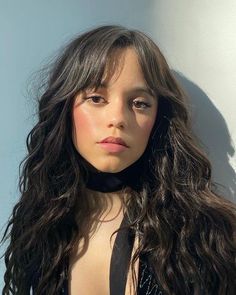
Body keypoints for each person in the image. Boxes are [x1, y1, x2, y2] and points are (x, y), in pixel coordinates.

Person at [1, 25, 236, 295]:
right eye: (96, 98)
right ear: (64, 108)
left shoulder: (204, 237)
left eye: (139, 103)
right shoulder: (38, 227)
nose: (118, 119)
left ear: (158, 119)